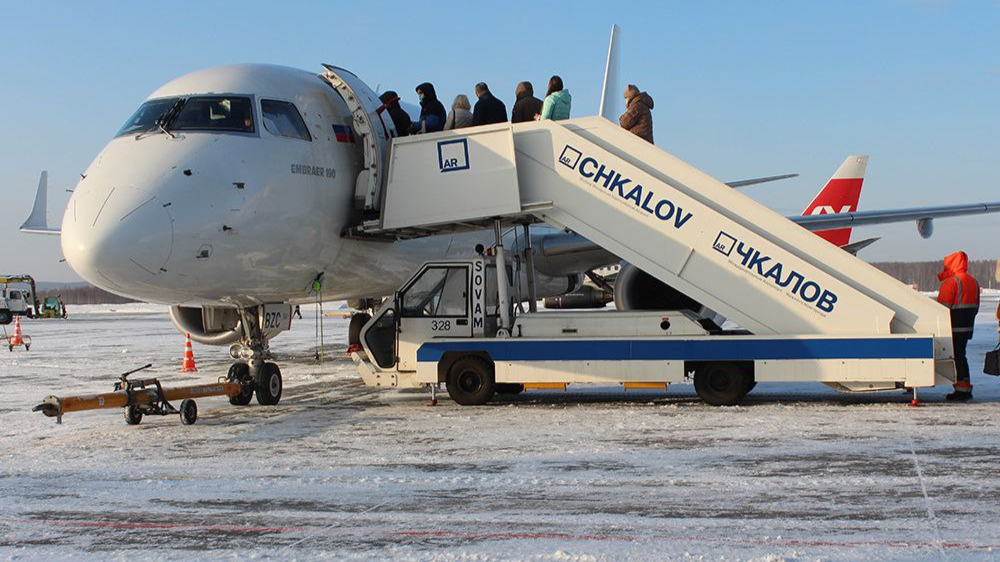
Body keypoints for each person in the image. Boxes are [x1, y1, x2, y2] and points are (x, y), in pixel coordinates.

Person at [936, 251, 980, 401]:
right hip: (967, 327)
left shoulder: (951, 282)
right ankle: (965, 387)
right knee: (962, 356)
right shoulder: (973, 281)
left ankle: (961, 390)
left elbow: (942, 308)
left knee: (956, 357)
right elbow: (976, 305)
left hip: (953, 327)